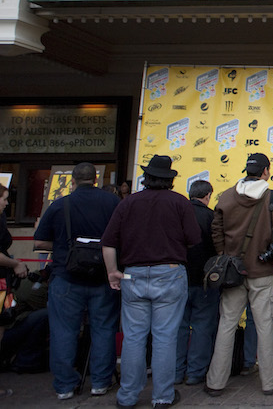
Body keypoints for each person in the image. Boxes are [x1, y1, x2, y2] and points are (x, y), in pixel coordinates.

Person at [102, 155, 201, 408]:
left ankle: (127, 397)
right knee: (165, 338)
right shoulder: (179, 202)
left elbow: (109, 241)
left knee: (133, 338)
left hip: (132, 274)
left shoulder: (128, 203)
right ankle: (162, 397)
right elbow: (193, 238)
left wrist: (113, 272)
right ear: (170, 179)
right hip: (169, 272)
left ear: (146, 178)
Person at [205, 152, 273, 397]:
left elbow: (216, 231)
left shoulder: (226, 196)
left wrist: (226, 256)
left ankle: (215, 383)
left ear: (247, 170)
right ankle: (270, 382)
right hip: (263, 272)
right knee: (265, 327)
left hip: (232, 273)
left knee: (226, 325)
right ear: (266, 171)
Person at [33, 161, 120, 400]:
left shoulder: (60, 205)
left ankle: (65, 387)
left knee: (64, 332)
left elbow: (39, 243)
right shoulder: (113, 203)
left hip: (66, 277)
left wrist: (65, 246)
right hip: (103, 277)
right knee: (104, 330)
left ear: (72, 181)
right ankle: (101, 383)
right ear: (97, 180)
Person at [176, 179, 220, 385]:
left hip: (177, 278)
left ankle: (176, 372)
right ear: (208, 196)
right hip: (204, 281)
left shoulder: (177, 214)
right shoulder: (212, 217)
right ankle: (195, 373)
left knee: (178, 327)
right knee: (203, 327)